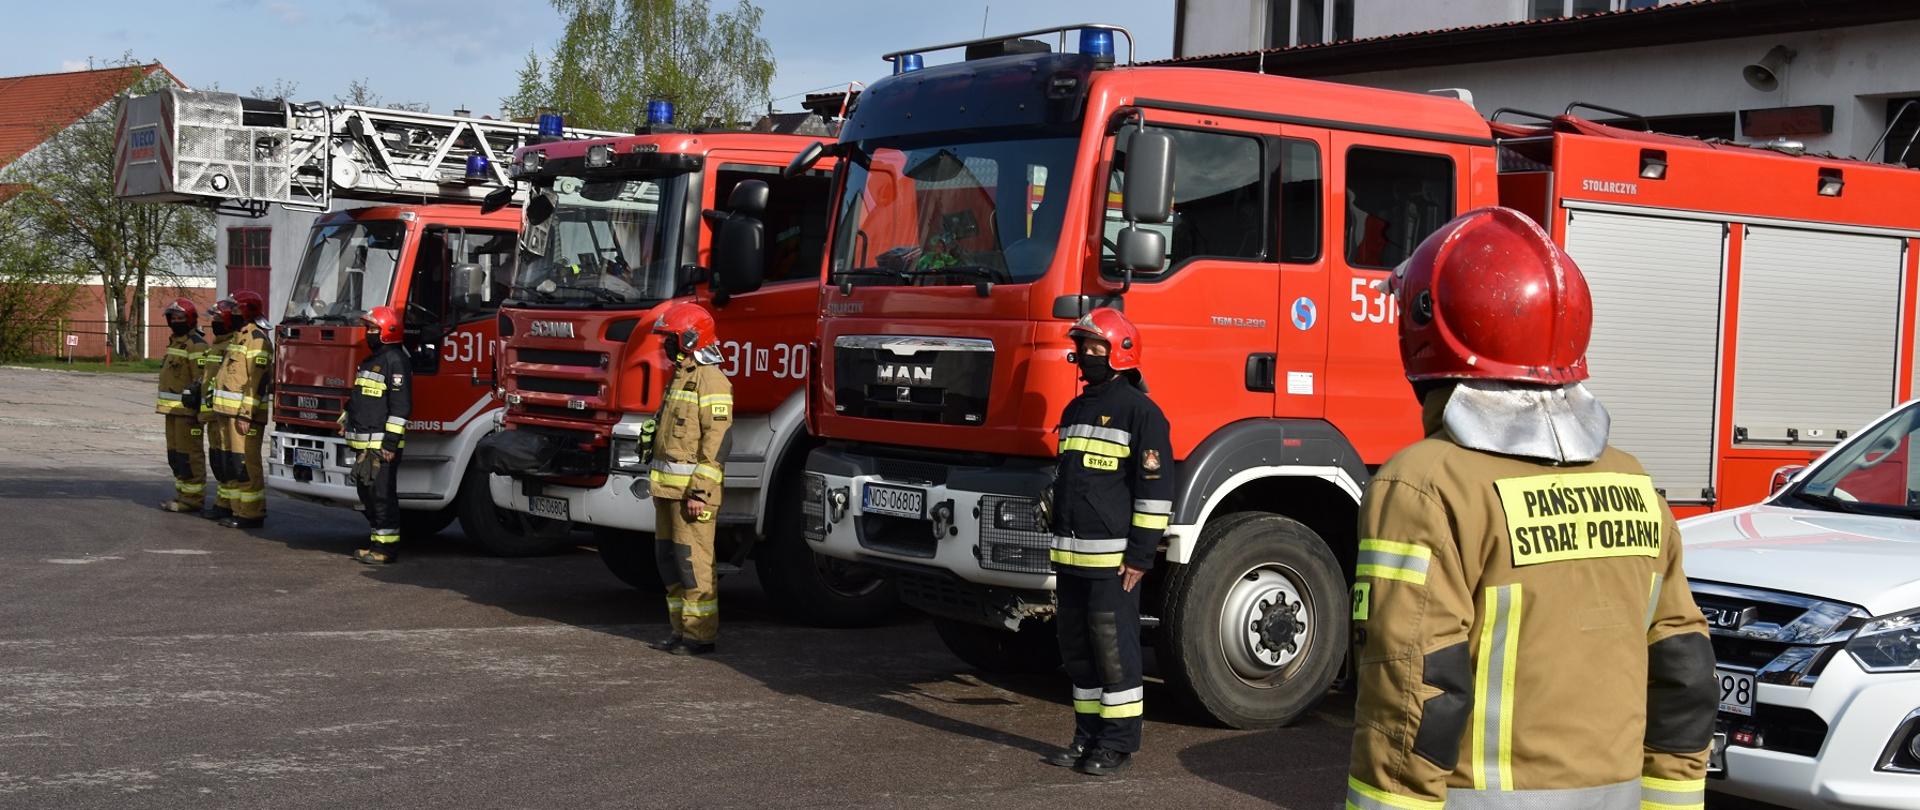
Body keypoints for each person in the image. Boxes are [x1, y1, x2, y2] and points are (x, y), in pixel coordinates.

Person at [1347, 207, 1717, 810]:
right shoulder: (1634, 482)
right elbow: (1683, 667)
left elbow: (1413, 685)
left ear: (1426, 324)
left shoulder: (1421, 486)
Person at [1043, 307, 1174, 777]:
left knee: (1114, 651)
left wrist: (1140, 556)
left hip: (1114, 562)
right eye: (1083, 347)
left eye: (1096, 348)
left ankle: (1117, 743)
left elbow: (1155, 493)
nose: (1086, 355)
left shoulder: (1141, 413)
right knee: (1078, 652)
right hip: (1070, 557)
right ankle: (1086, 735)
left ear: (1120, 352)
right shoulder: (1075, 409)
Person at [644, 302, 733, 656]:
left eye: (672, 338)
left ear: (691, 339)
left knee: (693, 564)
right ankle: (680, 631)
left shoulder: (711, 379)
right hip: (667, 491)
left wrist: (701, 491)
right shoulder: (681, 375)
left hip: (692, 497)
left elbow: (718, 441)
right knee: (669, 562)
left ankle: (700, 636)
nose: (666, 346)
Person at [343, 306, 411, 565]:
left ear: (388, 331)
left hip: (382, 445)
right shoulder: (368, 362)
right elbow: (357, 400)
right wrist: (345, 420)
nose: (369, 333)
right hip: (364, 444)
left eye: (373, 329)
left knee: (382, 497)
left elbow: (401, 407)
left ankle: (386, 549)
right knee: (367, 495)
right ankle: (375, 542)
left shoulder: (396, 361)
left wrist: (391, 443)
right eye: (368, 328)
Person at [208, 290, 274, 529]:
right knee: (232, 463)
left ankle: (252, 513)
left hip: (244, 417)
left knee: (246, 463)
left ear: (247, 311)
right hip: (226, 413)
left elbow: (256, 382)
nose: (233, 314)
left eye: (236, 310)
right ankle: (236, 509)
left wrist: (246, 414)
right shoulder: (238, 337)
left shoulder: (257, 339)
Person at [156, 298, 210, 513]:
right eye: (173, 318)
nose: (176, 321)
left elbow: (201, 382)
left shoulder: (196, 345)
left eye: (180, 318)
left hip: (188, 414)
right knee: (176, 456)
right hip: (172, 412)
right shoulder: (175, 343)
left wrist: (198, 412)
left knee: (190, 456)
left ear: (190, 320)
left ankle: (193, 499)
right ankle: (182, 495)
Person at [199, 300, 237, 521]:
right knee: (217, 460)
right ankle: (222, 503)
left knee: (226, 459)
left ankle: (232, 505)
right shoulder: (216, 346)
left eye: (219, 320)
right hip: (212, 413)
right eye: (214, 320)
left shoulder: (233, 346)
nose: (214, 323)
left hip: (224, 413)